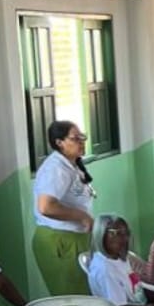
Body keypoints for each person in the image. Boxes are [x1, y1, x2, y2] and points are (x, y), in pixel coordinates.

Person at [30, 120, 94, 294]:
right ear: (59, 142)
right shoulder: (55, 168)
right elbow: (46, 206)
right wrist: (82, 217)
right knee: (72, 299)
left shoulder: (72, 165)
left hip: (74, 238)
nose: (81, 142)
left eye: (83, 137)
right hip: (60, 240)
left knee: (85, 293)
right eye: (75, 138)